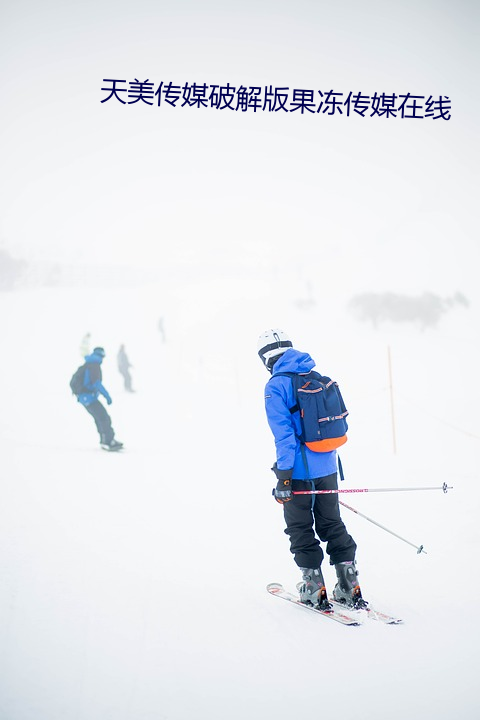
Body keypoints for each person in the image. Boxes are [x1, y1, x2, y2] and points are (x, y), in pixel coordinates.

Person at [258, 328, 366, 610]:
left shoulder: (275, 386)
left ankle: (313, 588)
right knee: (331, 523)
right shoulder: (315, 377)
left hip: (298, 472)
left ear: (266, 358)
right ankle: (349, 585)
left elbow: (284, 437)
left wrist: (284, 478)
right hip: (328, 466)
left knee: (300, 527)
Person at [76, 346, 123, 451]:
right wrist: (107, 396)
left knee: (100, 418)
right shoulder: (94, 365)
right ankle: (108, 441)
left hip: (85, 398)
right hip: (89, 398)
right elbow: (96, 383)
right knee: (104, 418)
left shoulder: (89, 363)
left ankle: (104, 440)